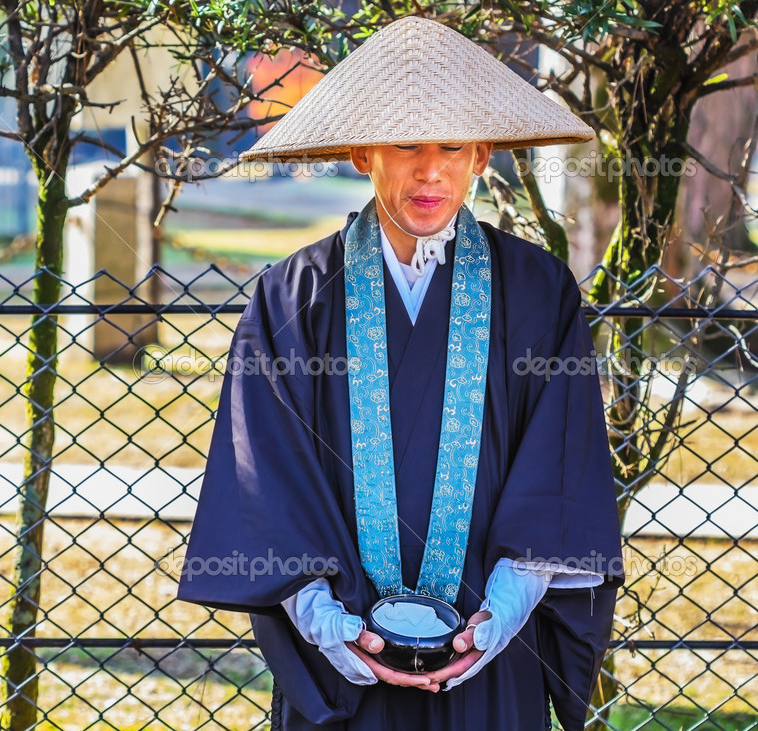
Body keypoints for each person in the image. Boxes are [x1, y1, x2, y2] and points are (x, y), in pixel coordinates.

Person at [177, 16, 624, 731]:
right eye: (405, 145)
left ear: (481, 154)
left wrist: (498, 618)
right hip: (345, 652)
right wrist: (328, 623)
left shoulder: (538, 291)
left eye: (451, 146)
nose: (430, 170)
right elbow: (265, 475)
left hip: (488, 651)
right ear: (361, 151)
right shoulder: (291, 299)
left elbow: (557, 474)